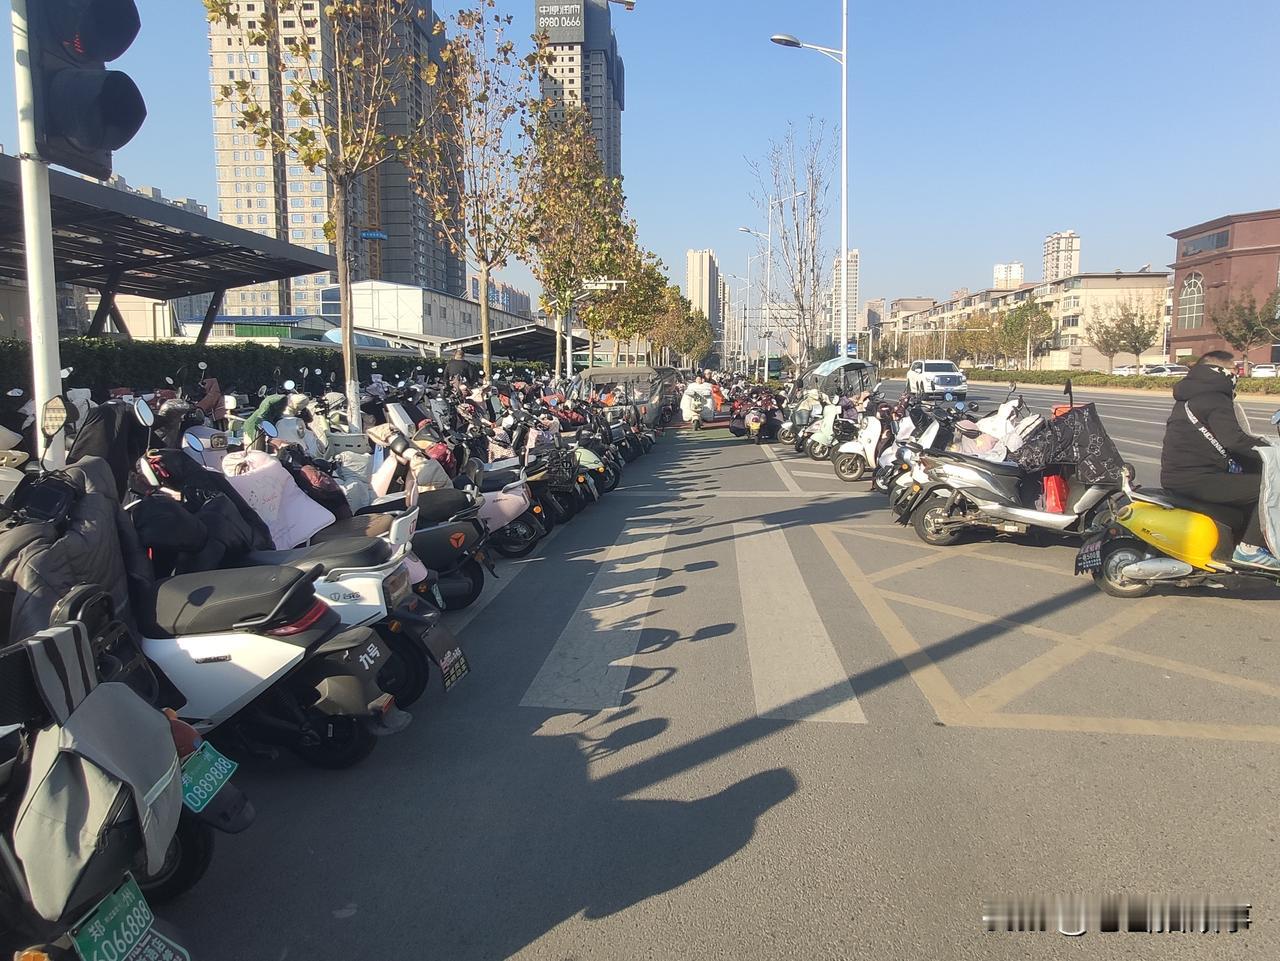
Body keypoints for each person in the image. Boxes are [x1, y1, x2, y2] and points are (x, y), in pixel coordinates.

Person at [1160, 350, 1275, 570]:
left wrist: (1258, 455)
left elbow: (1228, 442)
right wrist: (1269, 453)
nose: (1237, 375)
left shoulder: (1194, 394)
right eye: (1234, 370)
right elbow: (1234, 441)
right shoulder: (1214, 398)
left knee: (1254, 480)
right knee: (1271, 486)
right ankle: (1250, 549)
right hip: (1198, 479)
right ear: (1219, 371)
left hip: (1184, 476)